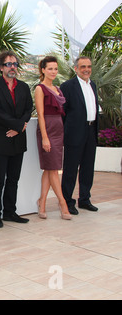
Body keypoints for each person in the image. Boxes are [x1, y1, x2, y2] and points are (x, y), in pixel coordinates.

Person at [0, 50, 33, 228]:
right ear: (1, 68)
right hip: (1, 139)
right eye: (8, 64)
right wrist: (17, 126)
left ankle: (9, 212)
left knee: (14, 178)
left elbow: (29, 109)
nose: (12, 67)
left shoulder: (23, 87)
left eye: (15, 64)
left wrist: (19, 127)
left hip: (18, 139)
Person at [60, 56, 100, 215]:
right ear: (76, 68)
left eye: (89, 66)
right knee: (70, 169)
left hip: (91, 130)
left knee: (88, 168)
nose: (86, 69)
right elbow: (63, 112)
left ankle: (84, 199)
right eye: (83, 66)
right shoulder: (68, 86)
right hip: (74, 132)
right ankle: (67, 201)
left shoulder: (93, 85)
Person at [35, 56, 72, 220]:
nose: (53, 72)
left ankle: (42, 202)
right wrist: (44, 137)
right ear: (43, 70)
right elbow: (40, 115)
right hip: (47, 129)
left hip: (59, 129)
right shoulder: (40, 89)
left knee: (49, 169)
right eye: (50, 68)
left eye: (55, 69)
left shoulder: (58, 88)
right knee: (53, 169)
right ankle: (62, 203)